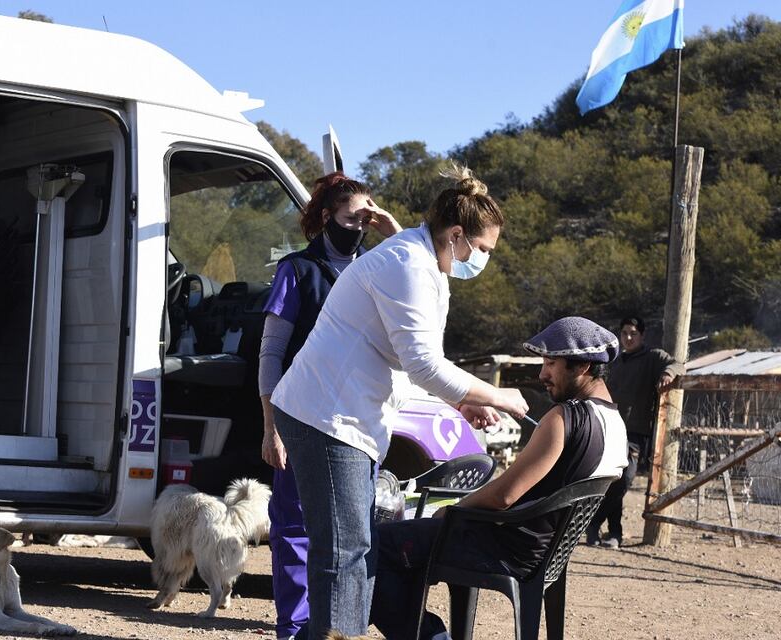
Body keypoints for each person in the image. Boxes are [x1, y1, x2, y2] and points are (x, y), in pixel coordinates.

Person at [270, 165, 529, 640]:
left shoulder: (426, 265)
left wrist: (462, 403)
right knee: (345, 550)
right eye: (484, 249)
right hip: (325, 415)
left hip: (349, 417)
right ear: (456, 234)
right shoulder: (407, 265)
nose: (483, 259)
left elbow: (417, 358)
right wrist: (497, 394)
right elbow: (425, 364)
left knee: (353, 547)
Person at [369, 316, 629, 640]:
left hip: (506, 548)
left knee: (375, 548)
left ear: (583, 367)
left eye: (551, 363)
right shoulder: (615, 422)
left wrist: (453, 509)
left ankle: (432, 636)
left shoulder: (564, 418)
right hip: (545, 551)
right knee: (410, 542)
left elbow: (503, 497)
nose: (542, 374)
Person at [259, 172, 402, 640]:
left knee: (352, 532)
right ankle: (296, 627)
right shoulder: (297, 270)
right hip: (302, 416)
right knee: (297, 527)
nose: (359, 226)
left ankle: (339, 626)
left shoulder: (375, 269)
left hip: (357, 425)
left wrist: (393, 232)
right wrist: (271, 427)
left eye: (367, 218)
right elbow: (271, 353)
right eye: (351, 218)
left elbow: (417, 282)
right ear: (325, 218)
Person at [588, 315, 685, 548]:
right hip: (609, 430)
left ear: (642, 335)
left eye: (633, 333)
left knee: (624, 480)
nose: (628, 338)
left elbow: (678, 363)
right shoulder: (616, 362)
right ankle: (614, 533)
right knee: (610, 482)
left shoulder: (652, 357)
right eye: (624, 333)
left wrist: (668, 374)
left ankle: (593, 524)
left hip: (634, 434)